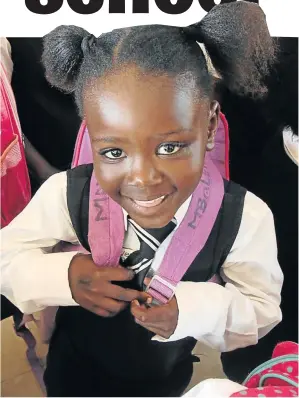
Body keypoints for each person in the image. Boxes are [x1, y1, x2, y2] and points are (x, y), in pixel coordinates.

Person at [1, 2, 283, 397]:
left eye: (170, 147)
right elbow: (6, 258)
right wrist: (64, 276)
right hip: (73, 368)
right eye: (114, 152)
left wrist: (190, 310)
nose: (143, 179)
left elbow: (262, 308)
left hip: (165, 378)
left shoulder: (243, 218)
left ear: (210, 124)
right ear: (92, 135)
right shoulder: (67, 194)